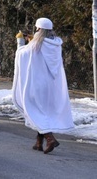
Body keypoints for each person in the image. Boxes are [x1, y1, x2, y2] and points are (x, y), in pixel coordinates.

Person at [12, 17, 74, 154]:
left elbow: (22, 54)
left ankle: (49, 138)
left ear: (38, 29)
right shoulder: (56, 44)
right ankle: (39, 143)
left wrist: (20, 42)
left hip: (37, 85)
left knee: (34, 111)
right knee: (42, 112)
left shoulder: (35, 46)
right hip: (51, 86)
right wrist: (32, 41)